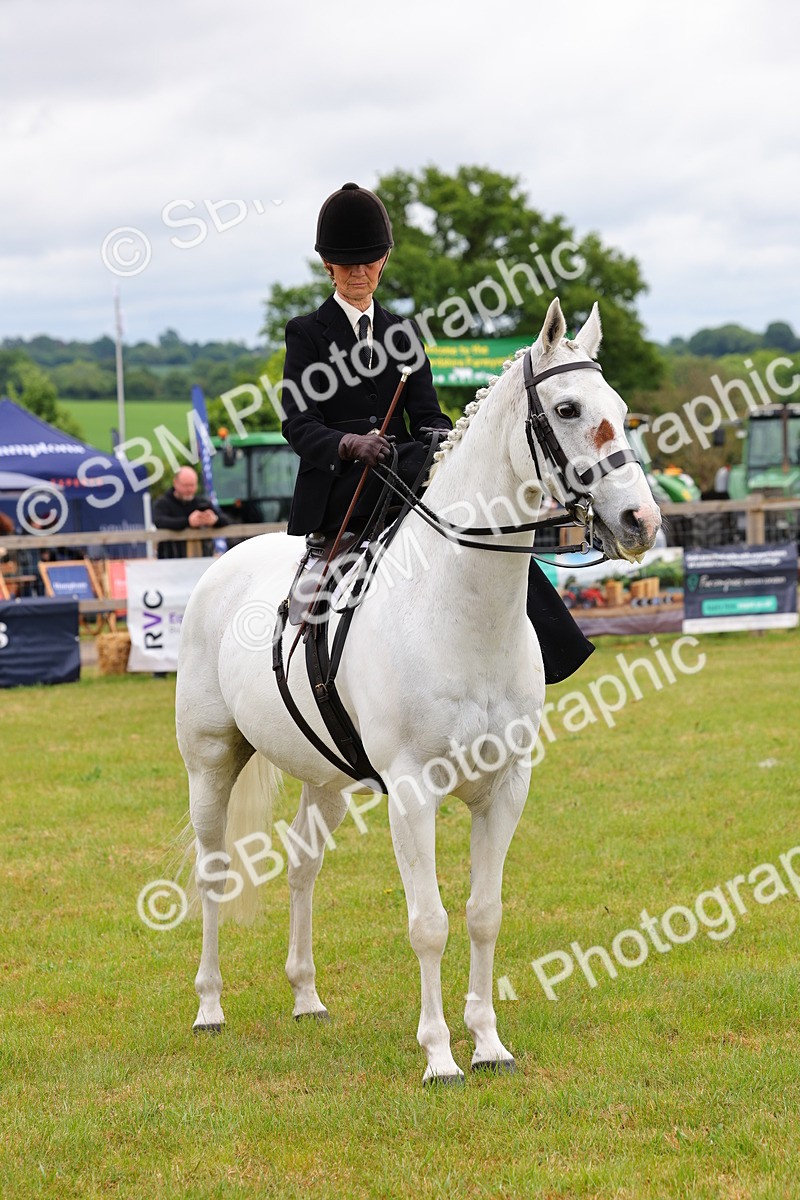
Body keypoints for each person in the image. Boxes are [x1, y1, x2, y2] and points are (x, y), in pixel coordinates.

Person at [280, 182, 593, 684]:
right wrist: (349, 444)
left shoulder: (402, 332)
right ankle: (310, 666)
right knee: (316, 604)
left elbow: (428, 414)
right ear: (328, 266)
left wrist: (437, 440)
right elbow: (298, 425)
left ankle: (552, 649)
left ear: (382, 263)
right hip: (343, 491)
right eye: (347, 264)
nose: (358, 274)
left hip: (404, 478)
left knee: (486, 534)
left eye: (368, 263)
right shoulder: (306, 333)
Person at [152, 467, 230, 559]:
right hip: (171, 559)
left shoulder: (202, 502)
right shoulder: (163, 502)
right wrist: (188, 521)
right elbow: (159, 521)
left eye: (192, 485)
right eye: (185, 485)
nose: (189, 489)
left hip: (202, 560)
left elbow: (226, 519)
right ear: (175, 483)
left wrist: (214, 520)